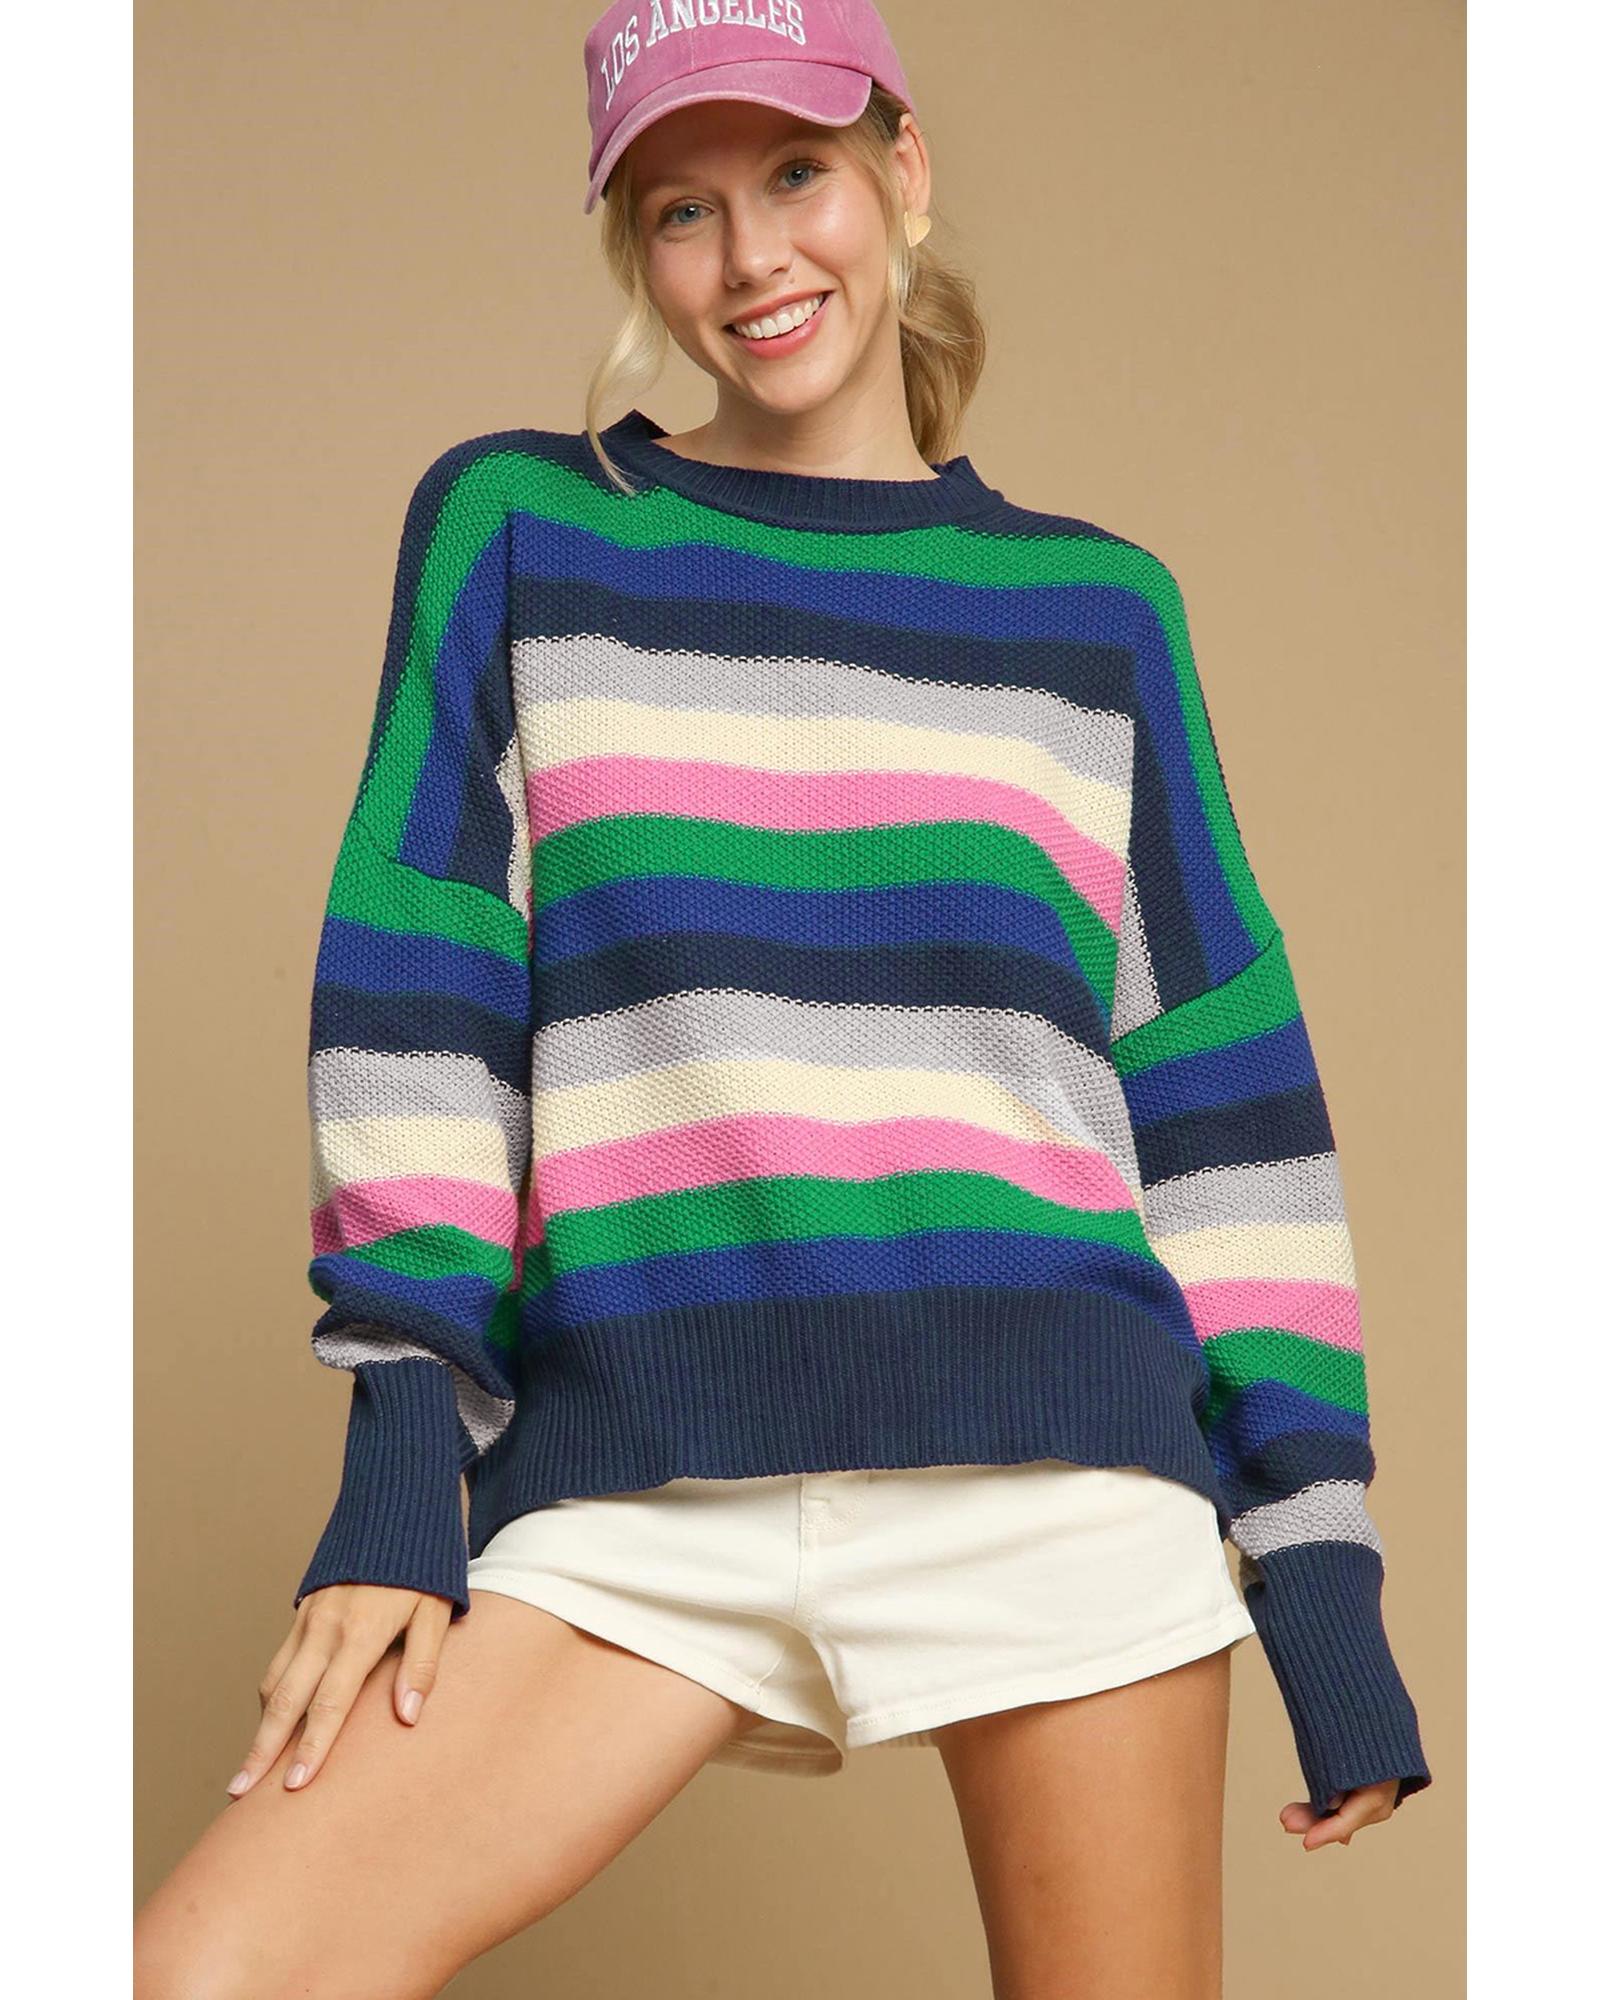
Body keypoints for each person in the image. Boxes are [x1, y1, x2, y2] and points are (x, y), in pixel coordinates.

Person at [135, 3, 1431, 1994]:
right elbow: (420, 996)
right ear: (633, 247)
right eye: (681, 208)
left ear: (902, 173)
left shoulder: (1096, 614)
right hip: (641, 1480)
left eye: (796, 173)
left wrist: (1315, 1568)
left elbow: (1221, 1095)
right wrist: (402, 1474)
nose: (749, 256)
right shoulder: (523, 531)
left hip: (1057, 1479)